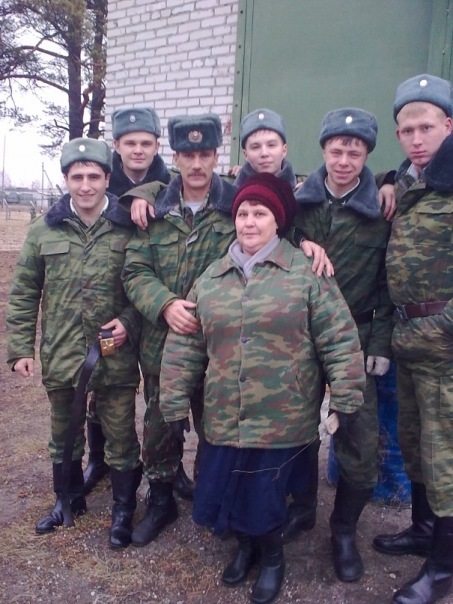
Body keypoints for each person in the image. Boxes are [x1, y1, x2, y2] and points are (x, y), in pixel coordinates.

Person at [158, 173, 366, 604]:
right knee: (228, 487)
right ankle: (245, 547)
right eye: (243, 214)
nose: (249, 222)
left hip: (281, 416)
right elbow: (186, 345)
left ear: (278, 220)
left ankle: (272, 557)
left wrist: (346, 398)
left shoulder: (306, 273)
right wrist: (174, 402)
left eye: (260, 213)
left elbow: (339, 338)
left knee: (265, 495)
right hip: (224, 413)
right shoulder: (212, 277)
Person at [6, 138, 142, 550]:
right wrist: (20, 349)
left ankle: (123, 510)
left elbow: (145, 286)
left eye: (94, 177)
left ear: (107, 179)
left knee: (120, 435)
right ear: (66, 179)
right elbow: (25, 292)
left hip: (114, 354)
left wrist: (129, 323)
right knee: (64, 433)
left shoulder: (128, 227)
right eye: (77, 177)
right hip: (63, 353)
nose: (86, 186)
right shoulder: (42, 230)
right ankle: (67, 500)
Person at [292, 108, 394, 583]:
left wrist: (380, 342)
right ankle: (299, 509)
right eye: (336, 151)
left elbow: (391, 283)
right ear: (323, 151)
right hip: (302, 335)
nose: (344, 160)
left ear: (367, 155)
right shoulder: (300, 205)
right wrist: (300, 242)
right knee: (294, 427)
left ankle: (344, 530)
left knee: (359, 437)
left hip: (356, 335)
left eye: (355, 152)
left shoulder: (381, 210)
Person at [371, 74, 453, 604]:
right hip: (409, 339)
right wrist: (387, 179)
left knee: (446, 455)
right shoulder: (407, 181)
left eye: (427, 127)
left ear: (449, 125)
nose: (416, 139)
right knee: (415, 442)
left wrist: (440, 328)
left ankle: (444, 568)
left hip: (444, 344)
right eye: (407, 130)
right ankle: (424, 529)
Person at [81, 106, 184, 498]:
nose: (138, 150)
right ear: (117, 145)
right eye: (130, 143)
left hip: (154, 307)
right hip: (112, 311)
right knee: (102, 381)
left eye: (145, 142)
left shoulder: (171, 186)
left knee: (162, 391)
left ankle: (171, 466)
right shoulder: (98, 183)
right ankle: (99, 459)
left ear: (157, 145)